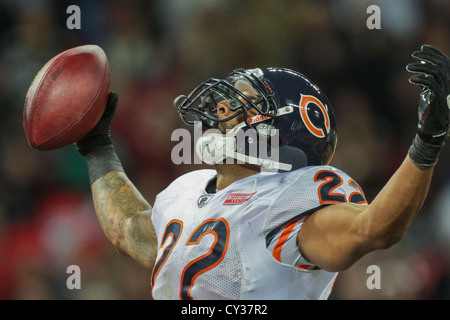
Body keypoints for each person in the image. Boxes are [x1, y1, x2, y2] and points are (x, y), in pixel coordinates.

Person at [75, 44, 450, 300]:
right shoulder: (187, 191)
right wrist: (97, 147)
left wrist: (426, 142)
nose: (221, 109)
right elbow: (127, 229)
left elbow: (375, 228)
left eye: (244, 104)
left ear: (284, 132)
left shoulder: (293, 199)